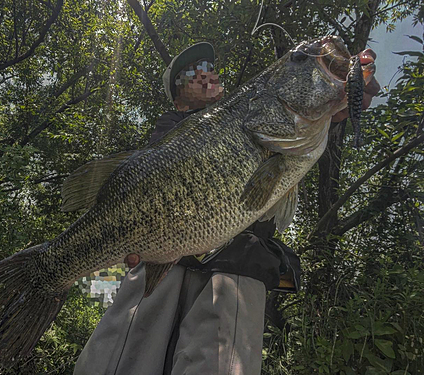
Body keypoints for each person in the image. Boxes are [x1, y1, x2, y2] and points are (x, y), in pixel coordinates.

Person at [74, 42, 380, 375]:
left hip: (236, 268)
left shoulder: (256, 113)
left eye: (208, 66)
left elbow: (295, 127)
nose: (204, 73)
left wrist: (340, 99)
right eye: (191, 72)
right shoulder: (171, 129)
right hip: (160, 269)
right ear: (177, 96)